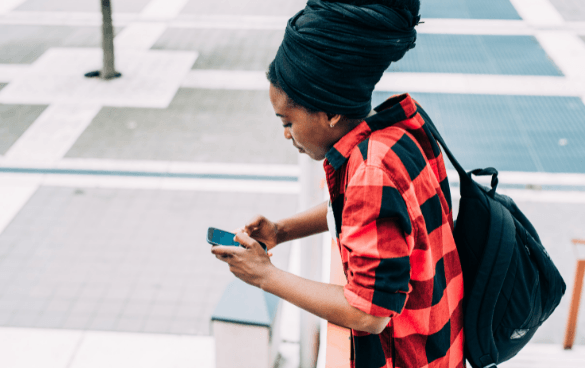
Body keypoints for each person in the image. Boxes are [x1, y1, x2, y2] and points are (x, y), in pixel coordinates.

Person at [211, 1, 464, 367]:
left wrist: (265, 275)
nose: (286, 135)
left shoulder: (371, 173)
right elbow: (370, 217)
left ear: (330, 113)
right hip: (442, 343)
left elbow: (368, 313)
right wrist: (282, 231)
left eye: (287, 121)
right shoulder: (400, 131)